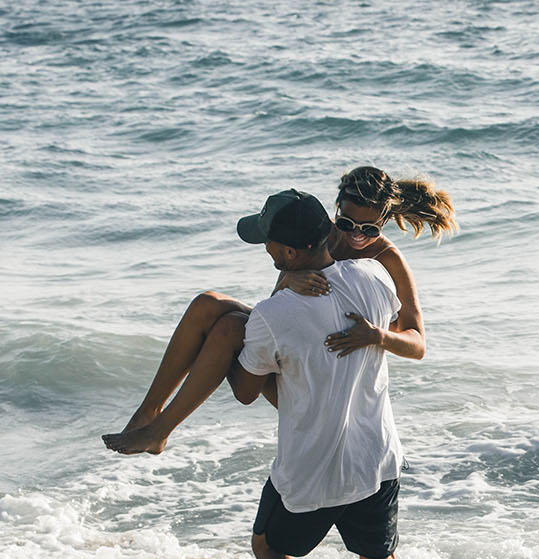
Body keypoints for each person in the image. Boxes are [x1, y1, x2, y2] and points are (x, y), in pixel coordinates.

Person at [224, 189, 418, 559]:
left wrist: (233, 335)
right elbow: (405, 332)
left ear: (288, 252)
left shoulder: (272, 314)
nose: (266, 250)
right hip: (373, 460)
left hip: (309, 470)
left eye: (269, 243)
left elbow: (245, 390)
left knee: (268, 548)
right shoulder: (375, 278)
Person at [101, 166, 453, 455]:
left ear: (385, 221)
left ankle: (160, 431)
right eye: (347, 224)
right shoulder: (320, 237)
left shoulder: (388, 259)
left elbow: (418, 344)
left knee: (229, 328)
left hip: (328, 386)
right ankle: (148, 414)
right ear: (337, 212)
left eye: (370, 229)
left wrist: (377, 336)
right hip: (297, 354)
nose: (355, 237)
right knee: (206, 304)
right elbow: (275, 308)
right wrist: (289, 281)